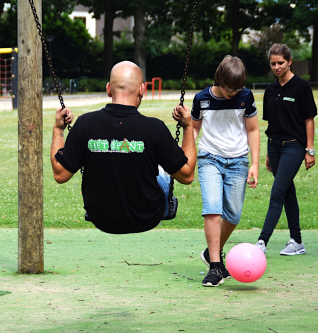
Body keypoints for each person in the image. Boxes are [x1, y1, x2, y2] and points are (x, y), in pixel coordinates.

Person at [49, 60, 196, 235]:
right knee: (162, 170)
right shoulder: (154, 128)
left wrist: (58, 129)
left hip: (101, 216)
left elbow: (60, 174)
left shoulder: (85, 124)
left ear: (108, 89)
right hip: (147, 215)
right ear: (142, 89)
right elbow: (187, 176)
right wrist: (188, 127)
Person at [192, 55, 260, 287]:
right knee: (212, 210)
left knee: (233, 215)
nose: (233, 92)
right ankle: (214, 266)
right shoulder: (201, 98)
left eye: (237, 88)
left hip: (238, 160)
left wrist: (254, 163)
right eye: (229, 88)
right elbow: (193, 129)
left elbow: (252, 130)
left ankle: (212, 251)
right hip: (209, 158)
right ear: (219, 79)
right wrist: (186, 156)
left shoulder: (245, 96)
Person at [254, 44, 316, 255]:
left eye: (281, 62)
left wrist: (310, 150)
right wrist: (268, 155)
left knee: (278, 192)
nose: (277, 67)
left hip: (294, 147)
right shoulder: (270, 90)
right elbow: (271, 123)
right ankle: (297, 242)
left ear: (289, 61)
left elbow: (309, 119)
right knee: (288, 192)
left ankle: (262, 241)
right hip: (275, 147)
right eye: (273, 63)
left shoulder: (301, 87)